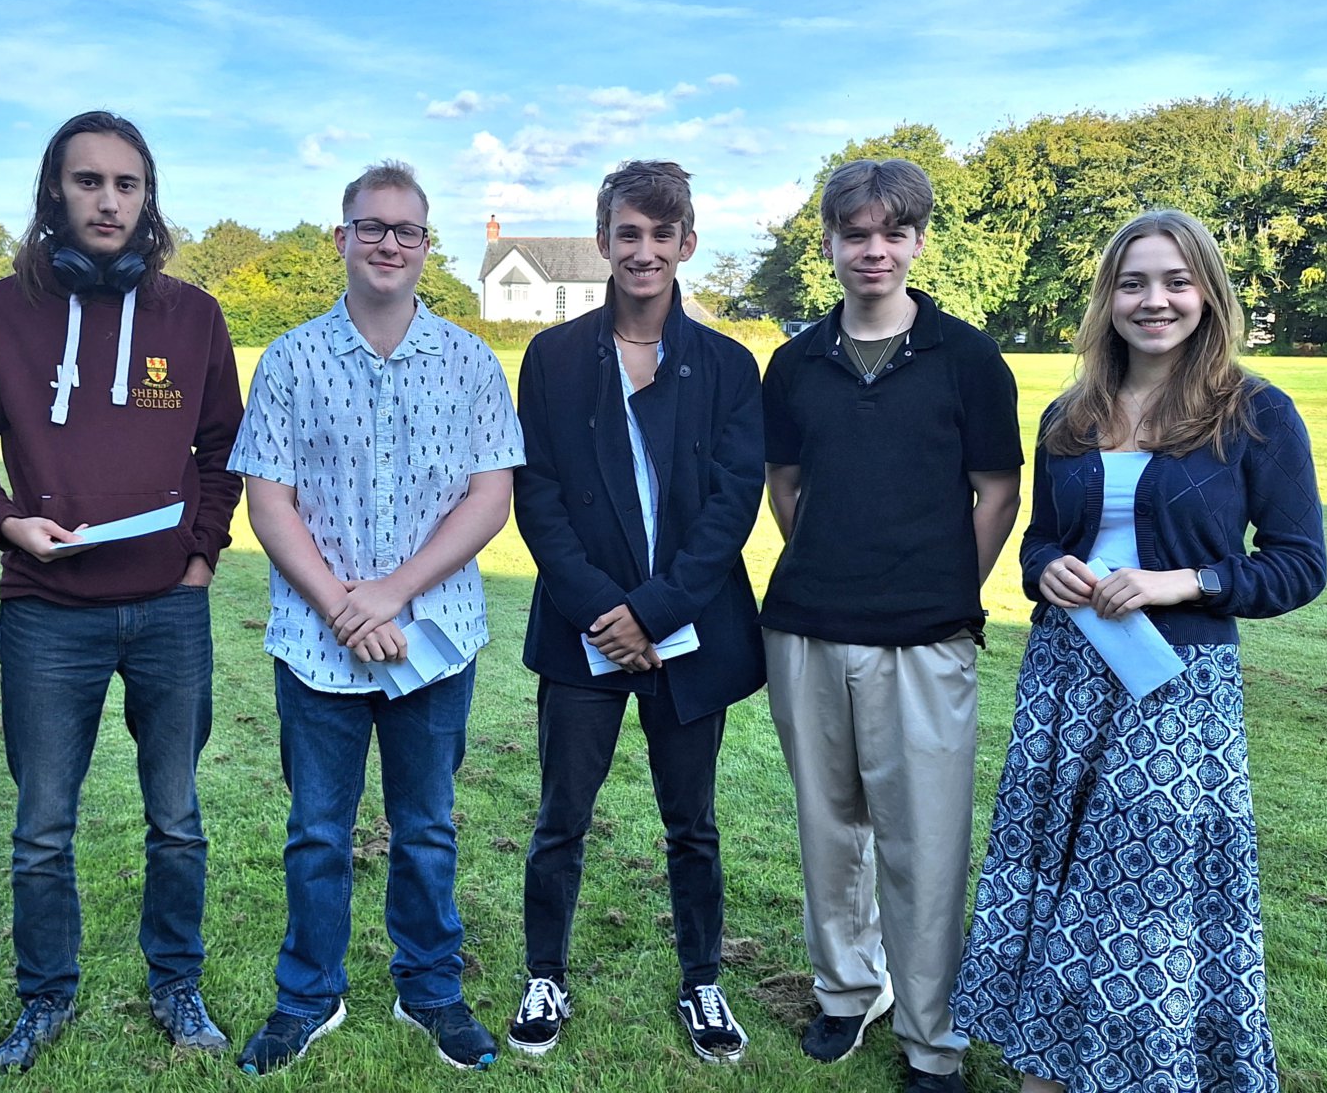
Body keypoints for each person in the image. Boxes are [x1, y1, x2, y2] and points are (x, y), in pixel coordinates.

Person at [953, 210, 1327, 1093]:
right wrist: (1050, 571)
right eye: (1132, 283)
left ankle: (1139, 1068)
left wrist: (1180, 583)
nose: (1153, 301)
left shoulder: (1255, 412)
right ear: (1107, 298)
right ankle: (1046, 1065)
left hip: (1174, 691)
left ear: (1207, 292)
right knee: (1051, 876)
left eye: (1173, 281)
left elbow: (1298, 565)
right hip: (1065, 678)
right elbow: (1039, 539)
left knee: (1139, 894)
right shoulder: (1071, 413)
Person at [0, 111, 244, 1074]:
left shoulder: (192, 317)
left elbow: (223, 447)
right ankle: (45, 998)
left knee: (178, 817)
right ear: (52, 193)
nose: (109, 200)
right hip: (44, 615)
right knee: (42, 826)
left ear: (149, 199)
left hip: (169, 614)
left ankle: (176, 985)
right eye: (88, 181)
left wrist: (198, 560)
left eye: (128, 184)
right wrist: (6, 521)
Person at [226, 160, 523, 1076]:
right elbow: (267, 503)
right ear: (342, 237)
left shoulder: (470, 360)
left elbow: (489, 498)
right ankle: (308, 995)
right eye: (372, 227)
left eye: (408, 231)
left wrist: (389, 594)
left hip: (435, 637)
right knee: (318, 829)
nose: (390, 243)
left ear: (428, 247)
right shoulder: (291, 357)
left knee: (427, 826)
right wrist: (342, 608)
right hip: (316, 644)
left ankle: (430, 988)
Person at [761, 158, 1023, 1093]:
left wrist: (943, 580)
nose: (873, 250)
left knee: (925, 840)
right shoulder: (793, 363)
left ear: (916, 241)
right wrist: (837, 557)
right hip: (804, 628)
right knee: (830, 828)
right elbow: (785, 487)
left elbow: (997, 489)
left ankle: (930, 1038)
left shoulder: (968, 358)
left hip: (928, 636)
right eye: (855, 233)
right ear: (828, 243)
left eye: (892, 233)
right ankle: (844, 993)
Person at [508, 160, 765, 1062]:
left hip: (689, 629)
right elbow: (533, 494)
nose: (645, 251)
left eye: (664, 235)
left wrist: (654, 612)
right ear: (605, 238)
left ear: (687, 242)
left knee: (690, 822)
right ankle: (545, 972)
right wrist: (602, 612)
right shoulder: (554, 357)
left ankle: (702, 982)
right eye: (629, 234)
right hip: (583, 629)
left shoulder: (730, 365)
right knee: (559, 817)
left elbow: (734, 506)